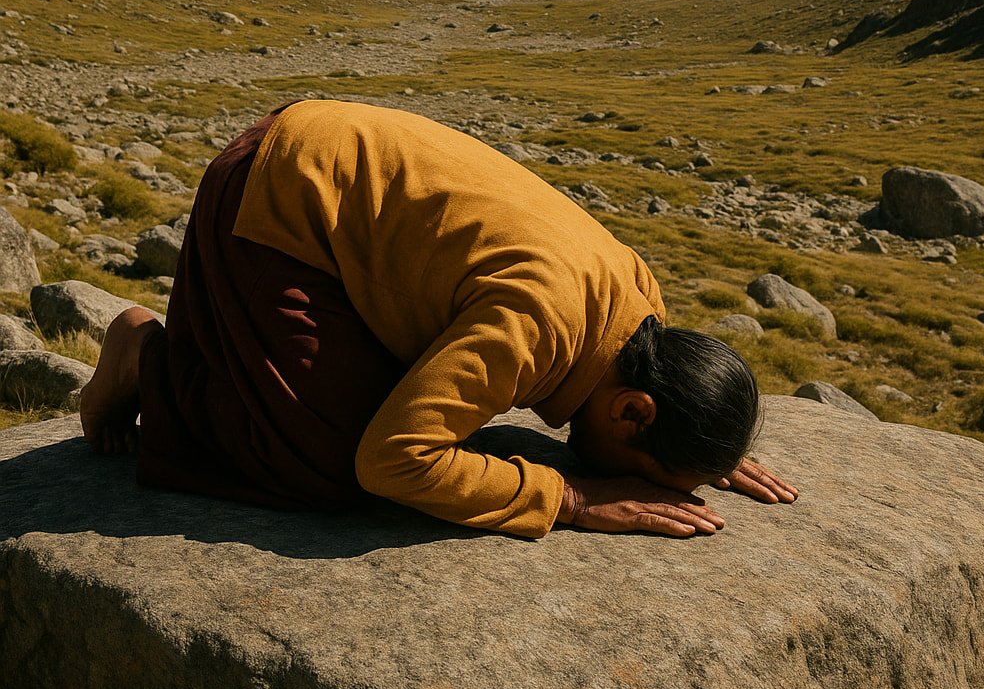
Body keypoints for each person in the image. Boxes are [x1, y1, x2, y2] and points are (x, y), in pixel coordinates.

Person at [81, 99, 797, 538]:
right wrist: (571, 497)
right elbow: (394, 460)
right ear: (634, 412)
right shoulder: (537, 323)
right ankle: (147, 356)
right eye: (653, 480)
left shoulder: (638, 302)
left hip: (323, 161)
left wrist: (708, 447)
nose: (644, 495)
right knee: (325, 467)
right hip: (275, 194)